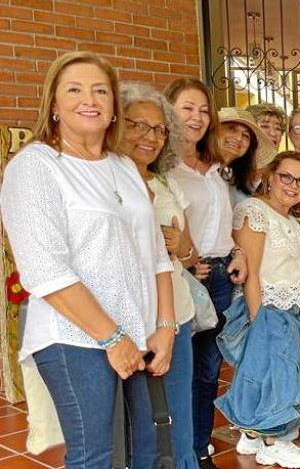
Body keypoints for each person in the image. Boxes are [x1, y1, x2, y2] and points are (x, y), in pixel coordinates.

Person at [0, 51, 174, 468]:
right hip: (75, 337)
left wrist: (164, 327)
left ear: (114, 107)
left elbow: (156, 256)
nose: (89, 99)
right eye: (74, 89)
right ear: (54, 104)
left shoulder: (124, 167)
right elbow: (45, 269)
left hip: (138, 332)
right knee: (96, 455)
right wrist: (112, 339)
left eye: (100, 90)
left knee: (144, 449)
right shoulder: (36, 166)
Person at [215, 152, 300, 468]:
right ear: (271, 177)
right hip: (269, 309)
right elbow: (251, 271)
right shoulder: (254, 211)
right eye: (286, 176)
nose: (293, 185)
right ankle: (276, 440)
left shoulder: (289, 219)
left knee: (292, 376)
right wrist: (257, 317)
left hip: (295, 308)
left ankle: (253, 433)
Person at [117, 82, 201, 468]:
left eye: (159, 129)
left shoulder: (164, 182)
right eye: (137, 125)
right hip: (124, 322)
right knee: (138, 431)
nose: (149, 137)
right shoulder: (104, 181)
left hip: (175, 318)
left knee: (176, 422)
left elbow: (190, 254)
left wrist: (180, 245)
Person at [165, 77, 247, 468]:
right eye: (187, 108)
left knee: (209, 372)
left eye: (203, 110)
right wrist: (185, 261)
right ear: (170, 110)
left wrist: (238, 252)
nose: (196, 117)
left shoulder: (216, 168)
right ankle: (178, 450)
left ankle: (198, 447)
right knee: (180, 370)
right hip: (184, 278)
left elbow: (224, 223)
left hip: (218, 277)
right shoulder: (164, 168)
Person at [217, 107, 278, 206]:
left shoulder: (228, 178)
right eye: (232, 129)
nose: (239, 138)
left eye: (246, 135)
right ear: (214, 131)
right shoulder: (197, 170)